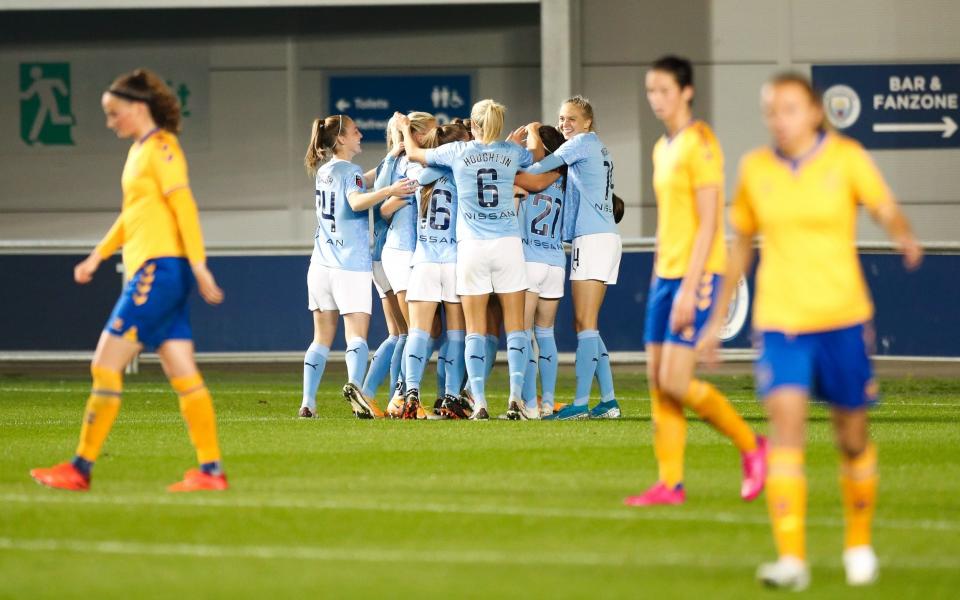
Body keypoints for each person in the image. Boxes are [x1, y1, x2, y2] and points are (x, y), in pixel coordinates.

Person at [699, 73, 923, 590]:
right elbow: (741, 246)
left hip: (842, 319)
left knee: (851, 437)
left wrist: (903, 235)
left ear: (815, 112)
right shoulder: (755, 169)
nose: (780, 118)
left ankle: (859, 543)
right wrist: (715, 322)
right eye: (772, 109)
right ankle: (792, 558)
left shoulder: (846, 158)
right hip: (781, 323)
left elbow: (882, 206)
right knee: (786, 432)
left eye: (791, 108)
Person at [30, 68, 228, 492]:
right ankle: (211, 471)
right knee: (183, 373)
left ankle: (80, 468)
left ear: (138, 109)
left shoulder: (162, 148)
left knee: (104, 364)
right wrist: (96, 257)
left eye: (113, 113)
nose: (110, 121)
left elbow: (185, 206)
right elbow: (132, 217)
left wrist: (199, 264)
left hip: (159, 271)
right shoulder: (139, 151)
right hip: (159, 271)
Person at [625, 56, 767, 507]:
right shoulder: (662, 148)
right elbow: (672, 222)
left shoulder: (700, 142)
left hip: (697, 275)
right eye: (650, 91)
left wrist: (690, 285)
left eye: (664, 90)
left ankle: (752, 445)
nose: (656, 99)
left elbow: (709, 222)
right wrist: (659, 278)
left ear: (686, 91)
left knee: (677, 381)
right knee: (658, 382)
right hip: (665, 275)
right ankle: (670, 483)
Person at [398, 100, 540, 420]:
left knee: (473, 329)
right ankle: (515, 399)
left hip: (472, 247)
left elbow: (414, 155)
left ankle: (479, 403)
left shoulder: (457, 152)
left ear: (473, 124)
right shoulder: (510, 152)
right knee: (515, 327)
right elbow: (536, 155)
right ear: (499, 124)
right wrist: (525, 135)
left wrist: (406, 129)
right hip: (507, 244)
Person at [299, 114, 417, 420]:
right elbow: (355, 201)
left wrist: (393, 156)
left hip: (320, 264)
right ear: (341, 139)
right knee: (357, 336)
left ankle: (308, 402)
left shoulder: (327, 170)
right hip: (349, 265)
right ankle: (355, 388)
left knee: (321, 338)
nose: (361, 135)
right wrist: (391, 191)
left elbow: (363, 182)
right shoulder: (348, 171)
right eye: (355, 131)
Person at [523, 96, 621, 420]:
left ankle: (580, 403)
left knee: (585, 324)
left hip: (592, 239)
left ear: (587, 122)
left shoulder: (579, 144)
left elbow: (540, 167)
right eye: (562, 119)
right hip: (606, 238)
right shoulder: (598, 146)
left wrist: (531, 136)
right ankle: (608, 400)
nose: (565, 125)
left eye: (571, 119)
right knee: (589, 324)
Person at [399, 123, 471, 418]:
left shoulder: (419, 173)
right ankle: (452, 396)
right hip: (454, 261)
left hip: (425, 260)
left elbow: (411, 172)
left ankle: (411, 392)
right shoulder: (463, 172)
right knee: (457, 334)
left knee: (417, 332)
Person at [376, 112, 438, 417]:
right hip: (401, 253)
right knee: (415, 331)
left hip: (414, 254)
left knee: (414, 332)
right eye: (432, 130)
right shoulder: (410, 163)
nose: (436, 134)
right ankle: (401, 397)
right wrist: (402, 195)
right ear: (419, 134)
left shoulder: (410, 161)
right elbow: (384, 209)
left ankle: (396, 396)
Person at [514, 125, 568, 418]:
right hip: (556, 262)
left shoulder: (529, 175)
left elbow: (514, 178)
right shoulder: (563, 179)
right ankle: (547, 401)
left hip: (529, 260)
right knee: (545, 334)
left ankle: (529, 406)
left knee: (522, 334)